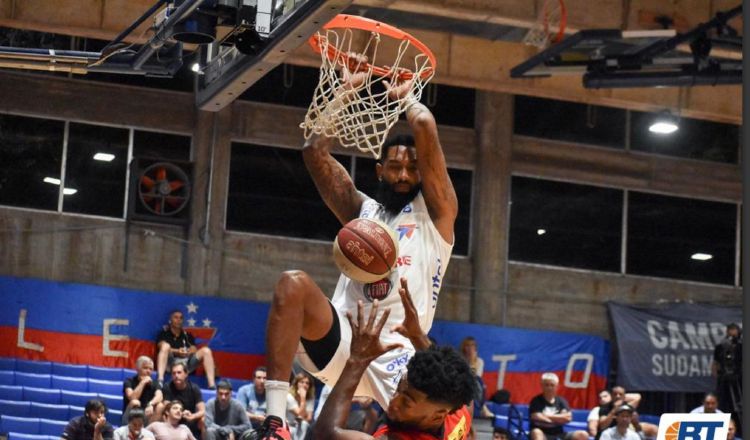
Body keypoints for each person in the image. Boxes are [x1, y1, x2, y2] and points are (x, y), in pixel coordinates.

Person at [258, 56, 458, 439]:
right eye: (395, 167)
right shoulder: (363, 212)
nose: (403, 175)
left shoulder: (438, 217)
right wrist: (345, 91)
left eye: (412, 168)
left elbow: (425, 125)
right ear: (379, 169)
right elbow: (313, 153)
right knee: (292, 283)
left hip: (400, 357)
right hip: (344, 341)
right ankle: (275, 422)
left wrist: (406, 97)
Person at [313, 298, 477, 440]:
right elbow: (459, 386)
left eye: (406, 402)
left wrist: (358, 360)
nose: (393, 402)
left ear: (437, 417)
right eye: (398, 390)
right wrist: (417, 337)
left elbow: (326, 435)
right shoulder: (458, 412)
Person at [156, 310, 217, 389]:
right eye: (176, 317)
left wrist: (188, 351)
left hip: (186, 364)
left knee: (206, 350)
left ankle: (212, 386)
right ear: (170, 320)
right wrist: (177, 351)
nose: (178, 320)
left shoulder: (187, 335)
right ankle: (160, 380)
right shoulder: (164, 334)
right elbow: (161, 346)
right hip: (171, 363)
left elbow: (194, 348)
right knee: (165, 346)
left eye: (181, 318)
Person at [529, 373, 588, 440]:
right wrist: (558, 419)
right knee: (536, 432)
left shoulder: (561, 401)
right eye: (546, 385)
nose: (549, 387)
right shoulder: (536, 401)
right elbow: (536, 416)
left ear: (557, 386)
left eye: (552, 385)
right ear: (542, 386)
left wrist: (546, 416)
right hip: (543, 434)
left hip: (559, 434)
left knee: (582, 434)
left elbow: (568, 417)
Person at [160, 362, 205, 438]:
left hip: (189, 419)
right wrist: (179, 413)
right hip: (173, 418)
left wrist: (192, 416)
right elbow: (166, 409)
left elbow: (202, 410)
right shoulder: (167, 387)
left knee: (203, 420)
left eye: (179, 373)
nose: (176, 376)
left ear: (186, 374)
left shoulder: (194, 388)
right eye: (173, 373)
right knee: (160, 408)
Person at [123, 355, 163, 424]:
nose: (148, 371)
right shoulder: (129, 381)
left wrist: (151, 404)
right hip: (129, 417)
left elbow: (160, 396)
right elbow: (132, 398)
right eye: (145, 368)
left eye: (150, 369)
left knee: (160, 406)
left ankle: (148, 431)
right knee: (135, 402)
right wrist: (142, 383)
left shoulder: (155, 383)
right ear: (137, 369)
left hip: (147, 416)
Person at [713, 323, 742, 414]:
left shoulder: (742, 346)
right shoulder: (720, 347)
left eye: (734, 331)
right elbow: (715, 363)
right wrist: (717, 376)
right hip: (724, 378)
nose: (732, 334)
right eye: (730, 331)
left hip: (739, 378)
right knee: (724, 403)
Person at [285, 373, 315, 440]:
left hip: (300, 426)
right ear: (296, 384)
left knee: (305, 424)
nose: (304, 385)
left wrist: (303, 398)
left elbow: (309, 418)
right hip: (289, 426)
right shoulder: (289, 396)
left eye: (307, 383)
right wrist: (303, 398)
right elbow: (299, 413)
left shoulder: (310, 398)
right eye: (302, 382)